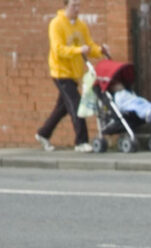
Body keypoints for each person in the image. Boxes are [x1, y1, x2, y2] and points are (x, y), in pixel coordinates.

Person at [35, 0, 109, 153]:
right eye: (73, 6)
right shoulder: (56, 24)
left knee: (63, 108)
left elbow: (88, 45)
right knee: (76, 104)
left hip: (75, 73)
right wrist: (78, 50)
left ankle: (43, 133)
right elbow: (58, 49)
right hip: (60, 72)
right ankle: (81, 142)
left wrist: (100, 50)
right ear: (65, 6)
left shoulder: (81, 25)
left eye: (79, 5)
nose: (77, 9)